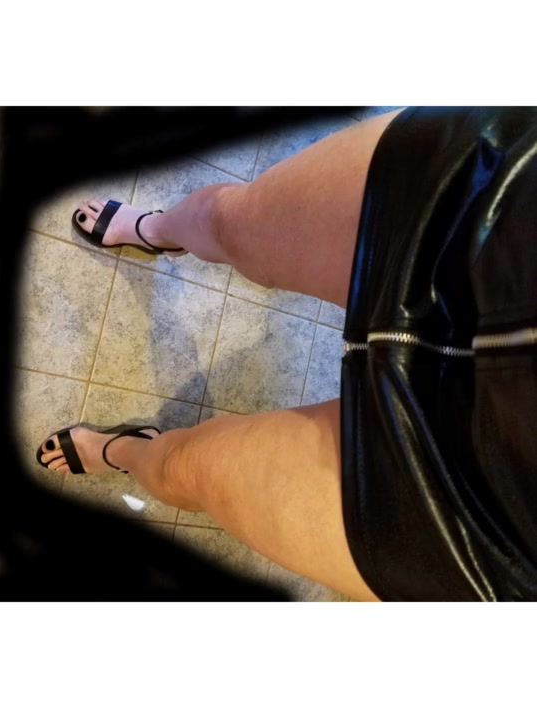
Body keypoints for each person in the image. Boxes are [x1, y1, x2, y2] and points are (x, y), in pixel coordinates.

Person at [36, 107, 537, 602]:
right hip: (509, 210)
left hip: (500, 518)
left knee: (182, 470)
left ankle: (125, 450)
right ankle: (157, 232)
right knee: (227, 222)